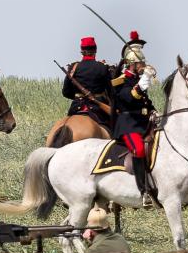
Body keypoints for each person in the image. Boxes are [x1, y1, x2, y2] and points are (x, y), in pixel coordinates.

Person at [112, 47, 157, 207]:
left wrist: (154, 111)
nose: (143, 65)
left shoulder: (136, 79)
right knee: (138, 149)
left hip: (144, 122)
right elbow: (131, 97)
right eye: (141, 63)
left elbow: (144, 101)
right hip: (129, 124)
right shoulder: (120, 81)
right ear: (132, 64)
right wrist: (145, 78)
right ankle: (143, 190)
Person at [61, 36, 115, 127]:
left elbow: (66, 92)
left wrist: (79, 96)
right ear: (95, 50)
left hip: (76, 107)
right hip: (98, 108)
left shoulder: (74, 67)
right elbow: (111, 92)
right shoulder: (102, 67)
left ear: (81, 51)